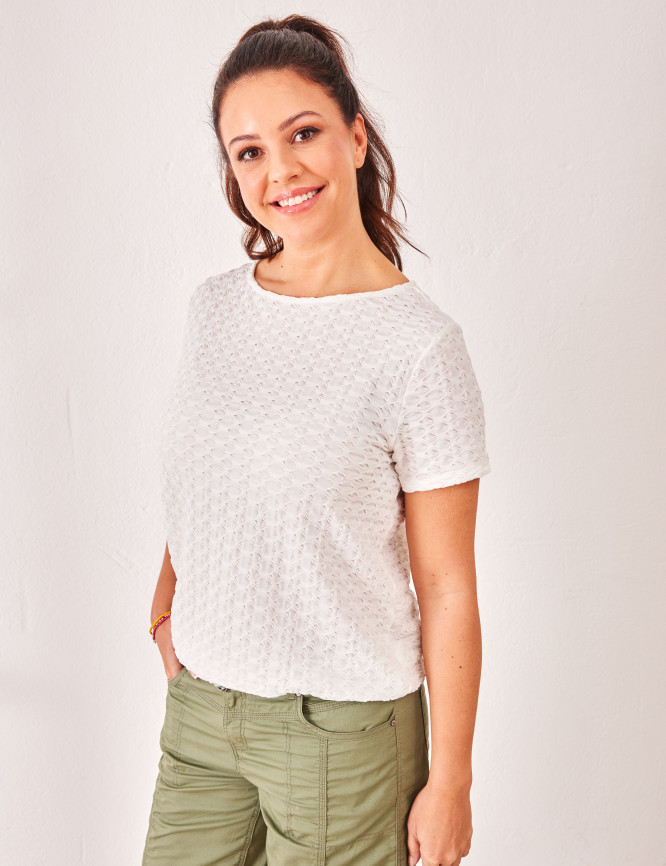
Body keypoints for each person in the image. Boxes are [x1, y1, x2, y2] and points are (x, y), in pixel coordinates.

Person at [142, 14, 491, 866]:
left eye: (303, 134)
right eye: (249, 151)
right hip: (201, 719)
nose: (281, 170)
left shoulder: (419, 348)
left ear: (356, 137)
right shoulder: (213, 310)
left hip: (342, 735)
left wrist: (452, 781)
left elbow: (447, 587)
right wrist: (165, 609)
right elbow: (207, 483)